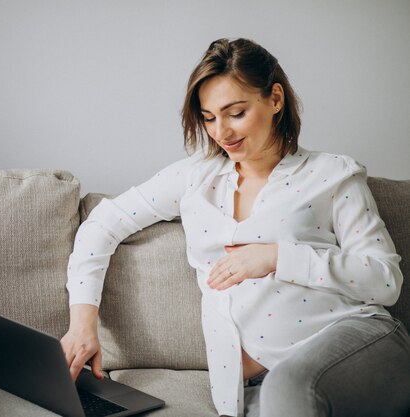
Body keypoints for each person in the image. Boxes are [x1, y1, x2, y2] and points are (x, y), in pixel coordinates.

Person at [61, 38, 410, 417]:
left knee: (289, 389)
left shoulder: (332, 175)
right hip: (246, 391)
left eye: (236, 112)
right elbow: (102, 224)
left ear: (275, 99)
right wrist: (82, 324)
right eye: (209, 117)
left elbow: (386, 281)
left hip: (357, 344)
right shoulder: (195, 178)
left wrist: (277, 257)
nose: (221, 132)